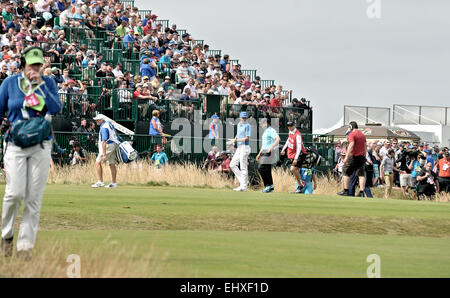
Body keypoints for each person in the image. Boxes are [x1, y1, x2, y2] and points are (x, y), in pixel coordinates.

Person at [0, 46, 61, 259]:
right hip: (15, 144)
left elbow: (55, 108)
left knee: (33, 198)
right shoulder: (9, 84)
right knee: (14, 193)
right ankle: (6, 235)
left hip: (41, 145)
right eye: (31, 65)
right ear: (22, 65)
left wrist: (42, 85)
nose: (34, 69)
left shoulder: (48, 83)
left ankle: (25, 247)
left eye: (38, 65)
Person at [338, 122, 367, 197]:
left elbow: (351, 145)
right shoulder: (362, 135)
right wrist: (364, 155)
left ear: (351, 127)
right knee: (361, 174)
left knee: (345, 170)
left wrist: (346, 157)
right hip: (361, 156)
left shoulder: (352, 134)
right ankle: (361, 192)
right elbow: (365, 145)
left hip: (354, 156)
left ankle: (346, 190)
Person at [91, 114, 120, 189]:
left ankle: (100, 182)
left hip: (108, 145)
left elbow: (104, 141)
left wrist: (104, 154)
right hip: (114, 144)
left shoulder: (104, 127)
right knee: (111, 163)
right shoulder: (109, 124)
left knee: (97, 162)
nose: (96, 121)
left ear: (102, 120)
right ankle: (114, 183)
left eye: (98, 120)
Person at [281, 121, 307, 194]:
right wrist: (283, 149)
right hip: (295, 153)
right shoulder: (290, 132)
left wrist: (295, 158)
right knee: (296, 170)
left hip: (300, 154)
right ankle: (300, 186)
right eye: (288, 126)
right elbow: (288, 141)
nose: (290, 127)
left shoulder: (298, 134)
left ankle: (300, 185)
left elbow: (299, 148)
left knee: (292, 169)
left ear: (294, 125)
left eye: (291, 126)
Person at [256, 117, 280, 193]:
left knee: (261, 168)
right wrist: (259, 154)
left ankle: (267, 185)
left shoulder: (271, 130)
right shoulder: (265, 131)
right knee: (267, 170)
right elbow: (264, 144)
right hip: (264, 152)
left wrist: (271, 147)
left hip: (269, 152)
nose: (261, 125)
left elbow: (278, 139)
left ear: (266, 123)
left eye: (262, 124)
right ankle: (271, 187)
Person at [230, 112, 251, 192]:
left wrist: (236, 140)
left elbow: (247, 138)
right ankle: (243, 181)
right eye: (242, 117)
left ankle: (243, 186)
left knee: (243, 167)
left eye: (245, 117)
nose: (244, 119)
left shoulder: (247, 125)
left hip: (245, 147)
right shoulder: (239, 124)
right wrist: (234, 140)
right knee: (232, 164)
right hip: (239, 147)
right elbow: (238, 134)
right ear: (240, 117)